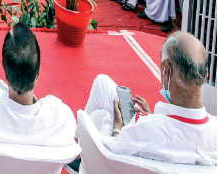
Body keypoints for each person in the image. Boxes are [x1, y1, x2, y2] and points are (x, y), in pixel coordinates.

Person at [82, 32, 216, 165]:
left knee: (101, 115)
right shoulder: (214, 131)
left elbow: (109, 155)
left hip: (119, 154)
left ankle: (78, 150)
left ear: (167, 70)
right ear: (205, 77)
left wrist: (118, 128)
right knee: (103, 85)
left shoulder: (144, 130)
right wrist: (153, 117)